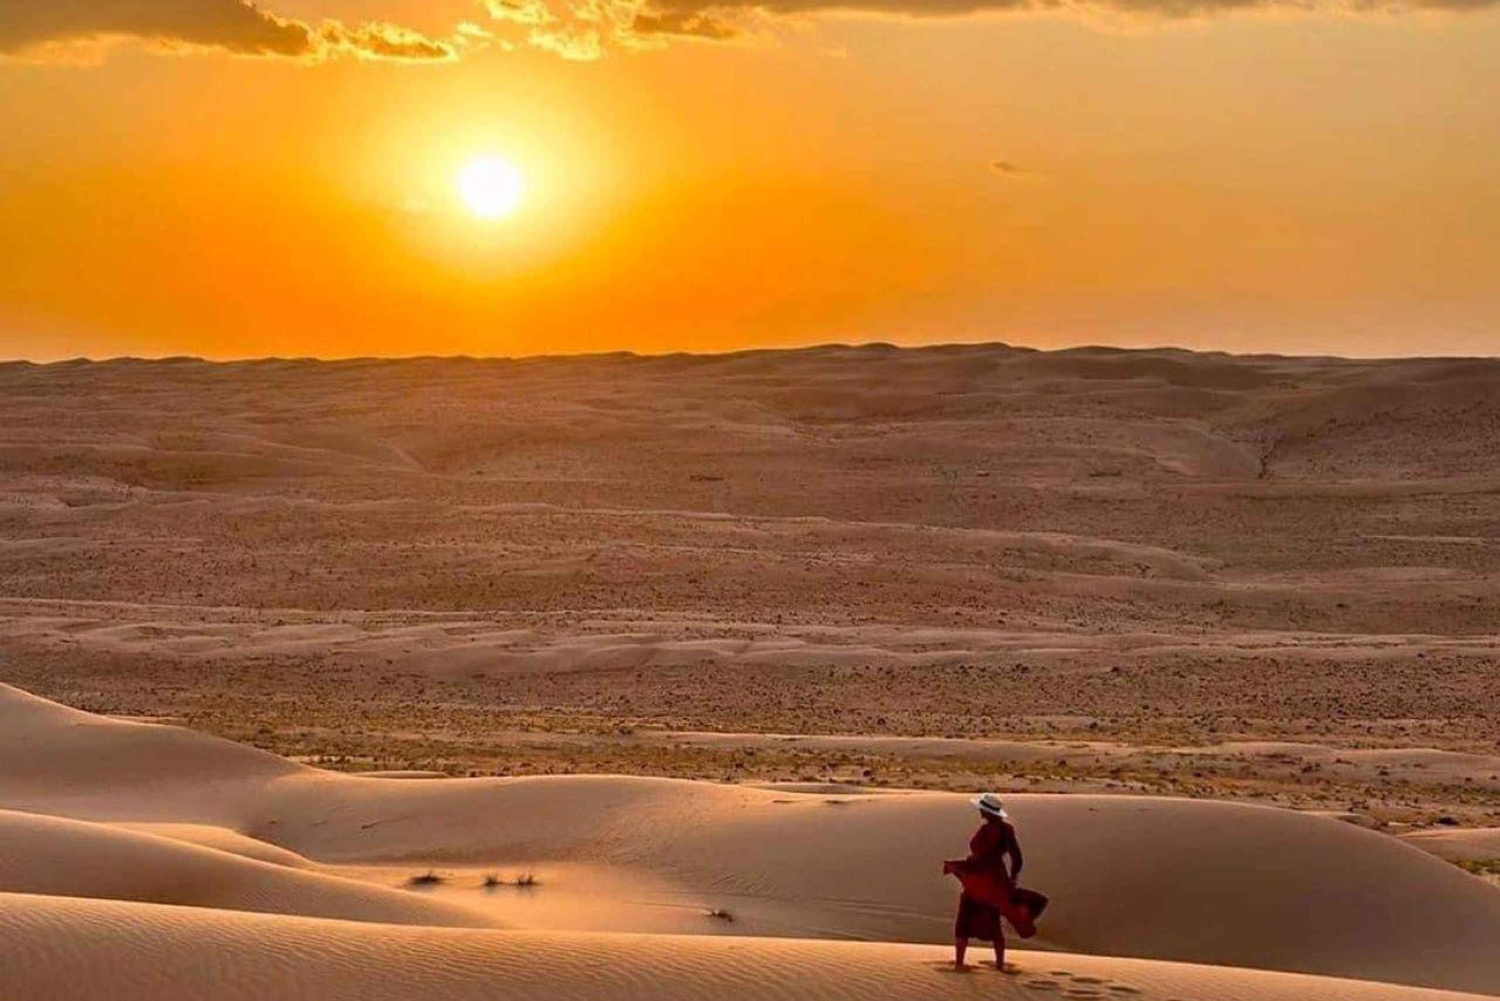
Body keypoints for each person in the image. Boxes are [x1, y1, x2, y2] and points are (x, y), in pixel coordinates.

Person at [944, 792, 1023, 972]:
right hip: (996, 878)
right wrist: (1012, 879)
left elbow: (1014, 858)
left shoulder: (989, 830)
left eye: (981, 808)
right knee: (993, 917)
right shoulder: (1006, 829)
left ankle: (959, 963)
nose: (979, 811)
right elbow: (1017, 858)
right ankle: (999, 964)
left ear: (987, 811)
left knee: (964, 918)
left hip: (979, 877)